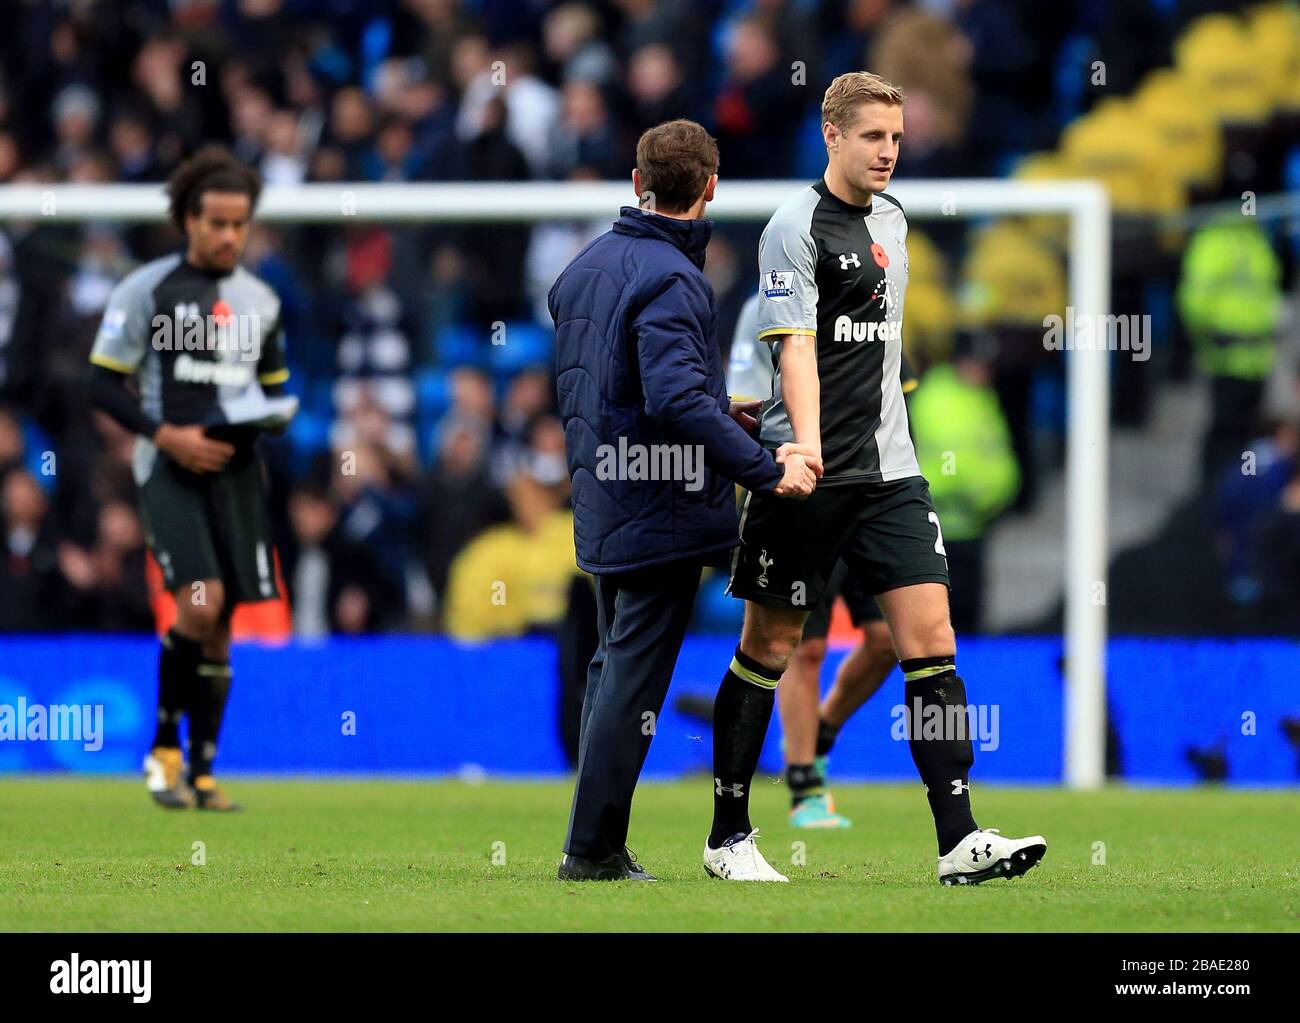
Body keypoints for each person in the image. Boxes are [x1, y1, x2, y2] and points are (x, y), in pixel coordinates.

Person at [716, 71, 1045, 885]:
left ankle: (959, 838)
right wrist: (808, 448)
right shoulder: (791, 228)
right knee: (772, 644)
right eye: (872, 137)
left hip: (891, 474)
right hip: (806, 471)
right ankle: (729, 836)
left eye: (895, 138)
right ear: (832, 136)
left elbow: (879, 348)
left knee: (927, 639)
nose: (888, 152)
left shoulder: (894, 224)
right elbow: (793, 346)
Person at [548, 118, 821, 881]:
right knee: (631, 675)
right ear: (710, 186)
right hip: (658, 506)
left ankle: (593, 837)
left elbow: (615, 386)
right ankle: (592, 848)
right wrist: (764, 468)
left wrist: (715, 407)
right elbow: (670, 399)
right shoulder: (673, 277)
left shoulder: (586, 266)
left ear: (638, 183)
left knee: (611, 671)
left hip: (603, 491)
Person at [88, 145, 295, 811]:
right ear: (189, 220)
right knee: (198, 602)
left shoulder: (261, 300)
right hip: (169, 468)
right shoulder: (146, 290)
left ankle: (202, 771)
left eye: (240, 224)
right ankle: (163, 744)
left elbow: (275, 390)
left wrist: (268, 418)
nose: (230, 235)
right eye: (217, 223)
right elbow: (101, 383)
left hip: (236, 474)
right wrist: (165, 435)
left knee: (223, 620)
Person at [728, 291, 910, 829]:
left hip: (872, 487)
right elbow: (744, 403)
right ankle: (805, 787)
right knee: (800, 649)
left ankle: (820, 731)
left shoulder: (873, 297)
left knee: (886, 642)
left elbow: (898, 392)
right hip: (802, 491)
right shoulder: (761, 308)